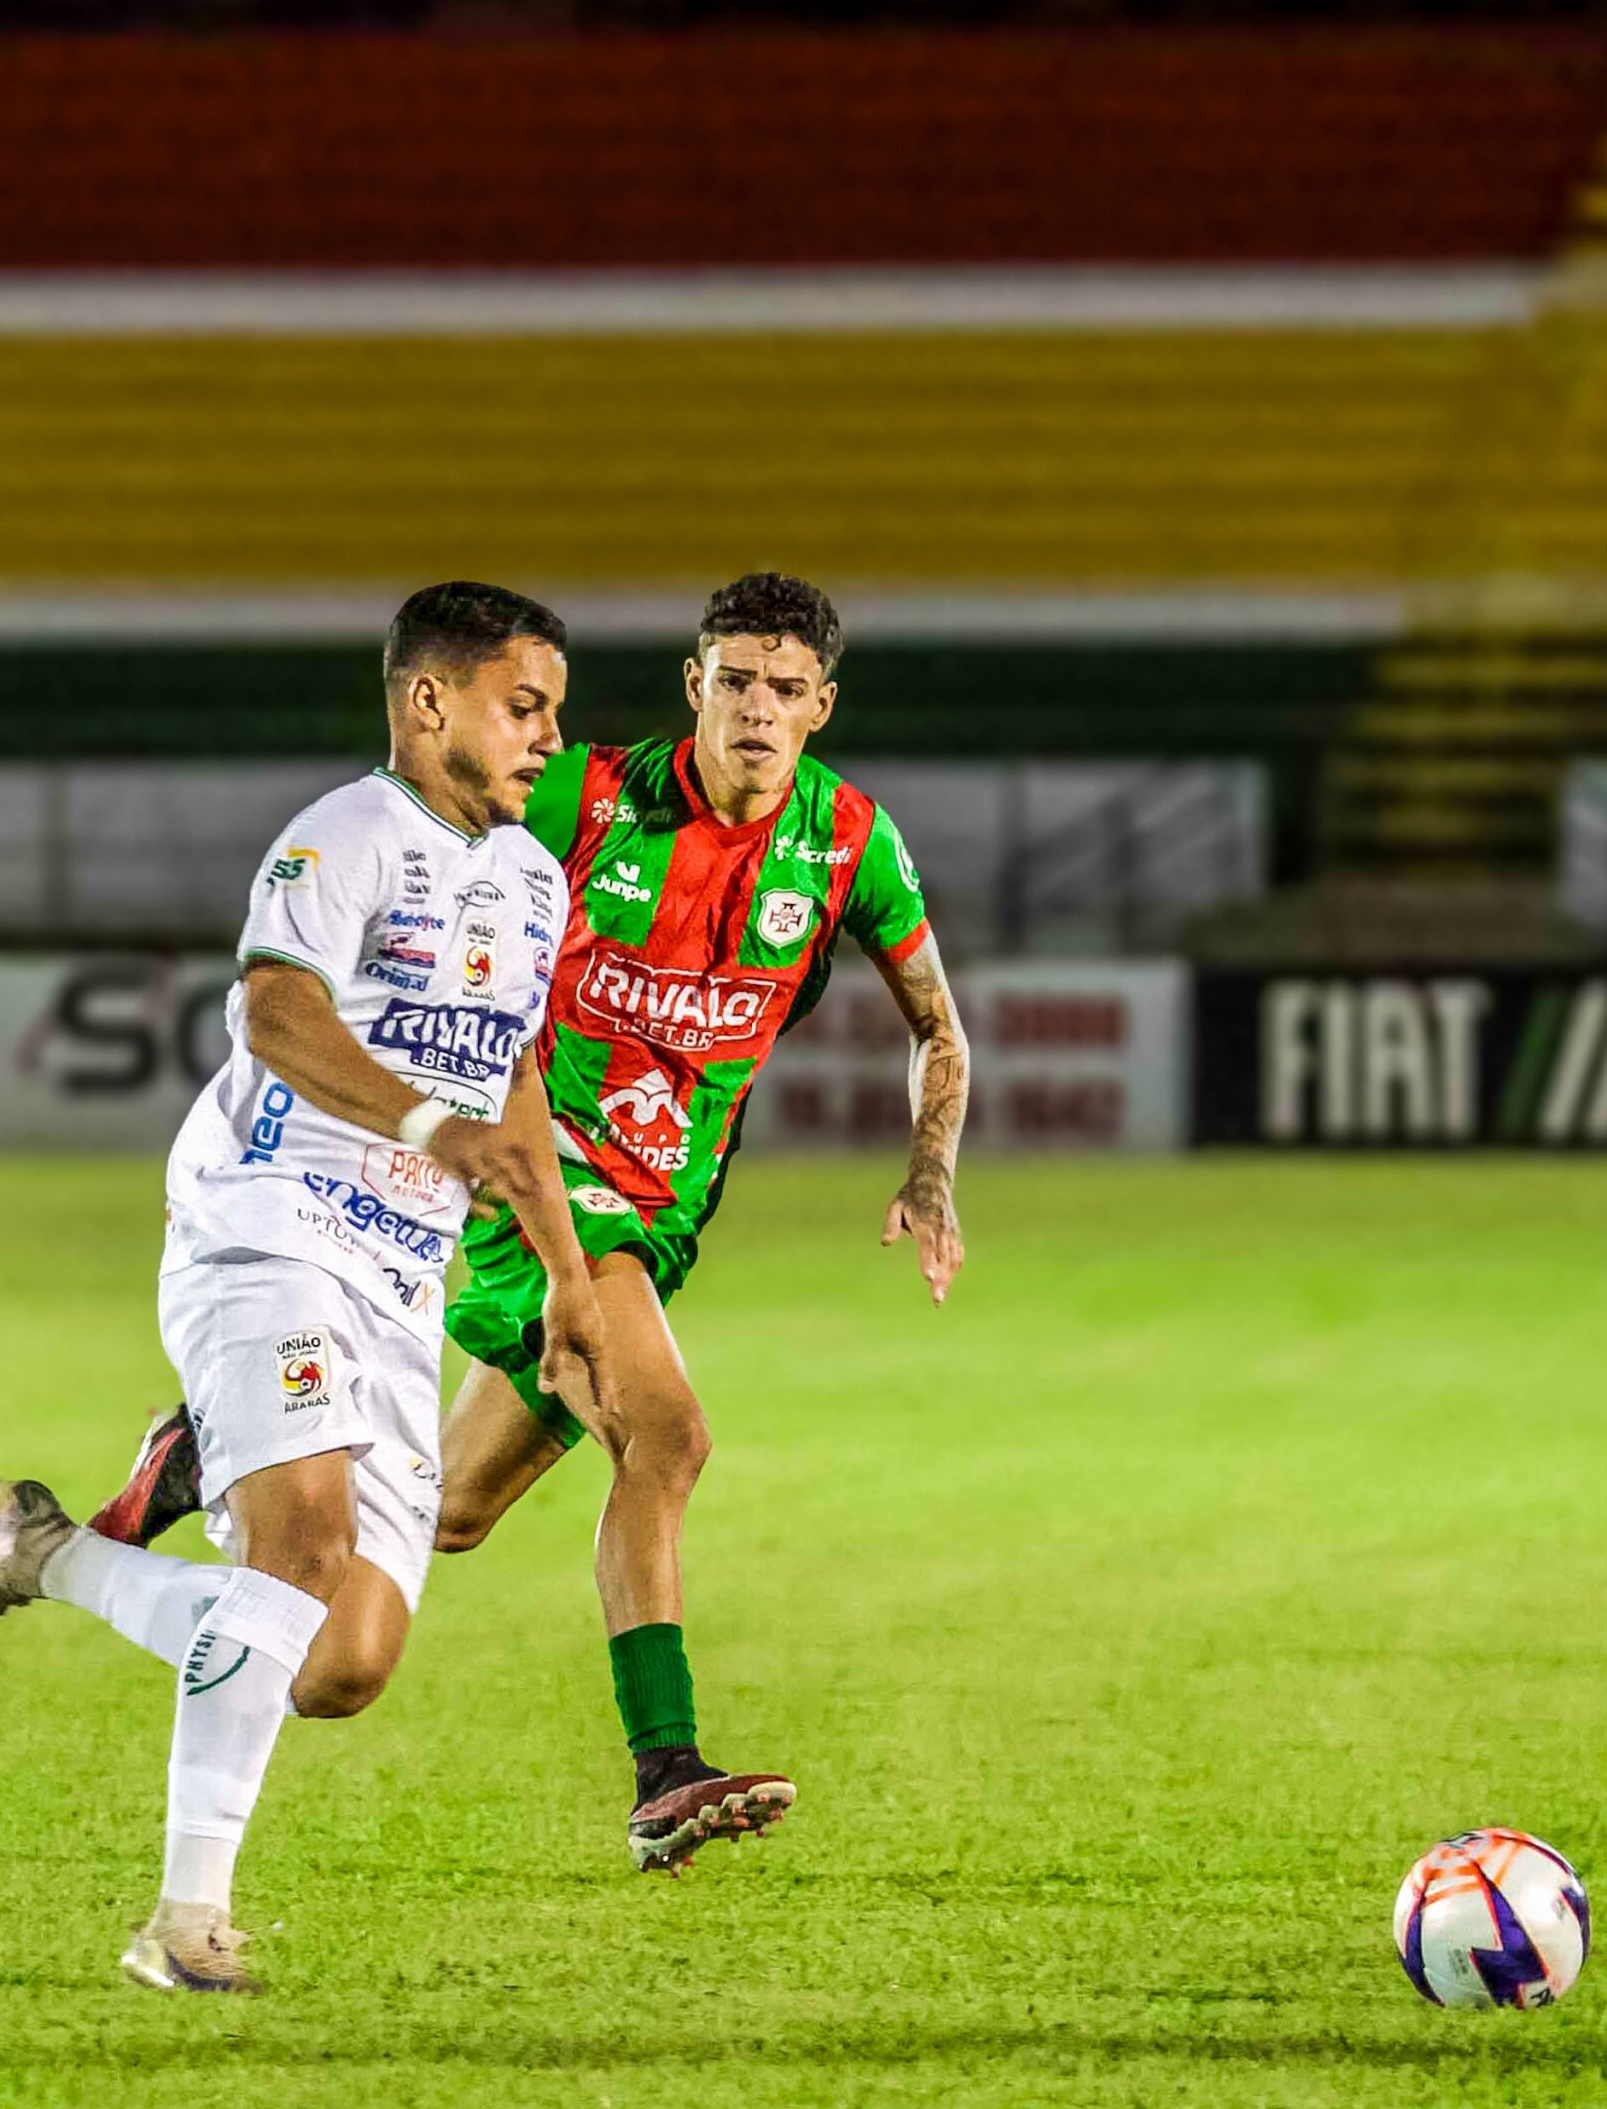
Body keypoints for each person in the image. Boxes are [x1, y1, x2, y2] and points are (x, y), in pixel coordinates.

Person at [94, 572, 971, 1875]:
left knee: (447, 1514)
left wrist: (930, 1174)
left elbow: (937, 1028)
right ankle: (665, 1771)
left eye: (786, 690)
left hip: (659, 1214)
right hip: (539, 1184)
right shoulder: (586, 797)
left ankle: (191, 1456)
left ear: (822, 707)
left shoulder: (852, 845)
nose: (757, 710)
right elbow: (429, 834)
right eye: (735, 680)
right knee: (668, 1437)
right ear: (696, 685)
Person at [0, 582, 616, 1993]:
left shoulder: (535, 879)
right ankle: (184, 1920)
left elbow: (514, 1083)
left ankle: (43, 1551)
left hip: (399, 1279)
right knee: (292, 1553)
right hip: (266, 1226)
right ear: (430, 702)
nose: (546, 740)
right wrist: (425, 1126)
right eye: (522, 707)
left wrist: (569, 1278)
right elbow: (275, 1013)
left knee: (338, 1665)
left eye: (555, 714)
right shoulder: (341, 836)